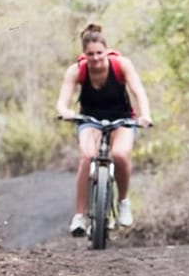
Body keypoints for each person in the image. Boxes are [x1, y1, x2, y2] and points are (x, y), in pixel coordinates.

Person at [56, 23, 153, 236]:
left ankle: (123, 202)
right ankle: (79, 216)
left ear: (107, 51)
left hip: (123, 119)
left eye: (99, 53)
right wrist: (65, 112)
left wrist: (146, 115)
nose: (96, 58)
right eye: (90, 54)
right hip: (90, 120)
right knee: (87, 156)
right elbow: (62, 101)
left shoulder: (121, 65)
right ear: (84, 54)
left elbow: (139, 91)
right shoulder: (76, 71)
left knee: (119, 154)